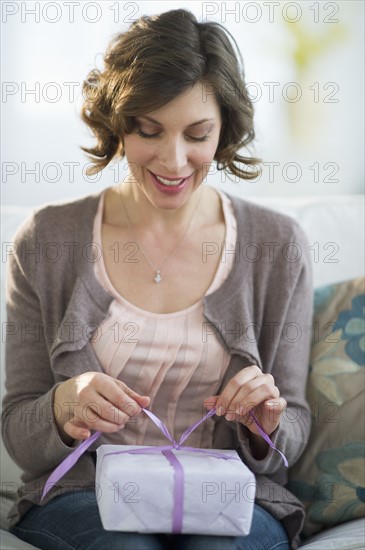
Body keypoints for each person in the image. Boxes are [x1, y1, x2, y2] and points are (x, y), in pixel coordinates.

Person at [2, 9, 313, 550]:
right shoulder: (46, 240)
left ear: (225, 130)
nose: (173, 161)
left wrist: (265, 423)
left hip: (228, 495)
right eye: (148, 130)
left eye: (198, 134)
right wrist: (62, 405)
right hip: (85, 494)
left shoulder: (277, 246)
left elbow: (294, 426)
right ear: (117, 125)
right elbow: (19, 429)